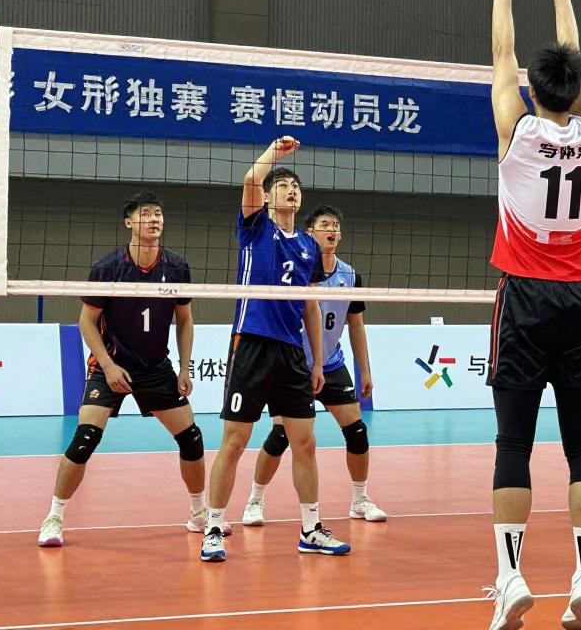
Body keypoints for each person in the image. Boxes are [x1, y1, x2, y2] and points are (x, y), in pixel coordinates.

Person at [474, 0, 581, 630]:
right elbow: (574, 67)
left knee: (513, 446)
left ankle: (511, 579)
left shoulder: (517, 133)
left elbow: (503, 58)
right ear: (577, 89)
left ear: (534, 88)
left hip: (524, 297)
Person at [200, 138, 349, 562]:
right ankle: (213, 527)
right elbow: (251, 178)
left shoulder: (308, 246)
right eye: (283, 186)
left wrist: (316, 360)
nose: (291, 191)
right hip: (252, 344)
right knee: (235, 440)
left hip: (291, 353)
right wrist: (272, 154)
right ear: (267, 197)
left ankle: (311, 528)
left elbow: (309, 305)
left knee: (305, 442)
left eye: (295, 187)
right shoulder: (255, 228)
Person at [38, 192, 209, 548]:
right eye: (146, 214)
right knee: (85, 438)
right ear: (129, 222)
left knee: (191, 438)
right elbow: (86, 322)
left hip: (156, 367)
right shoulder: (108, 267)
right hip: (110, 366)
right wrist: (108, 365)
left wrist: (184, 368)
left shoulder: (177, 266)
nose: (154, 219)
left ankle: (198, 512)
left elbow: (185, 320)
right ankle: (54, 517)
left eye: (158, 213)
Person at [241, 204, 386, 525]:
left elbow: (356, 325)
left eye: (335, 226)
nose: (331, 230)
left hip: (331, 364)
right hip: (292, 366)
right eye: (325, 225)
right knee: (280, 435)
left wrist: (365, 370)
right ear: (309, 233)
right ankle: (255, 500)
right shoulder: (295, 272)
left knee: (357, 430)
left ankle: (360, 499)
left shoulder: (350, 276)